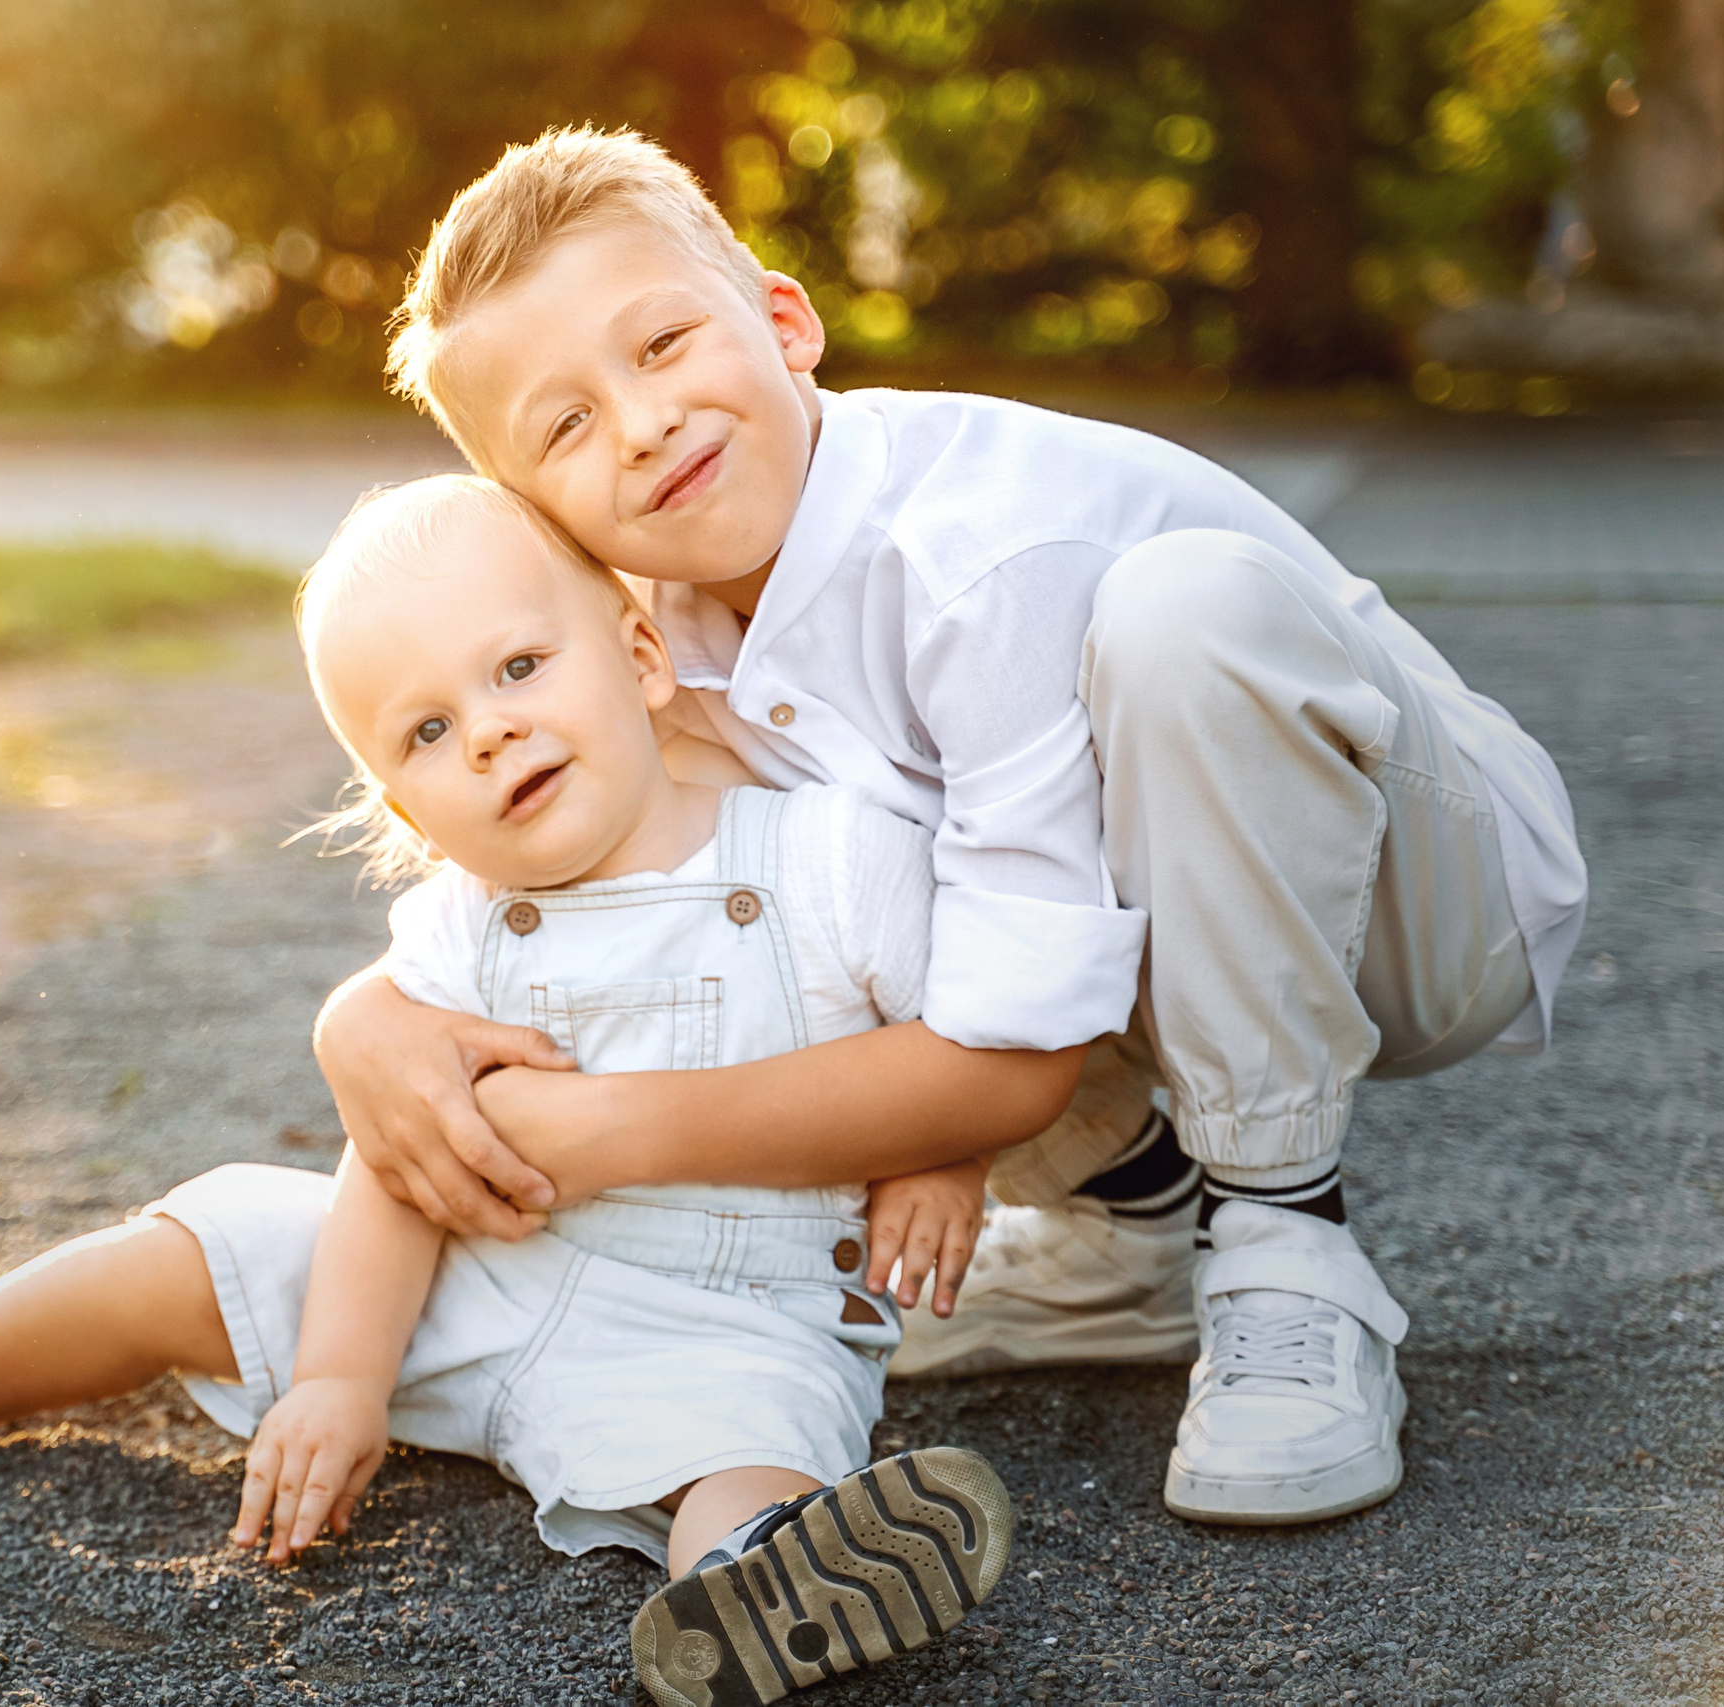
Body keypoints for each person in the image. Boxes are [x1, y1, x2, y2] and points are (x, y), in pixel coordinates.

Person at [317, 127, 1587, 1527]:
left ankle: (1287, 1239)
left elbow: (1010, 1061)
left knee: (1181, 617)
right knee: (816, 899)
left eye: (664, 342)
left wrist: (600, 1133)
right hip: (1163, 937)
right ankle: (1139, 1231)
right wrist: (369, 1018)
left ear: (786, 322)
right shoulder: (652, 637)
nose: (640, 422)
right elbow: (611, 874)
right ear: (539, 520)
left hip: (1419, 894)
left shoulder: (975, 550)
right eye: (563, 425)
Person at [0, 476, 1055, 1703]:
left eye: (519, 668)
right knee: (186, 1252)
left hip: (726, 1314)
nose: (494, 735)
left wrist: (938, 1163)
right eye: (430, 733)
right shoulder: (456, 929)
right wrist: (339, 1379)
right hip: (462, 1285)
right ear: (399, 807)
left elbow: (961, 1041)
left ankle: (760, 1587)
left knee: (757, 1440)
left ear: (639, 653)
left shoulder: (824, 857)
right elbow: (399, 1165)